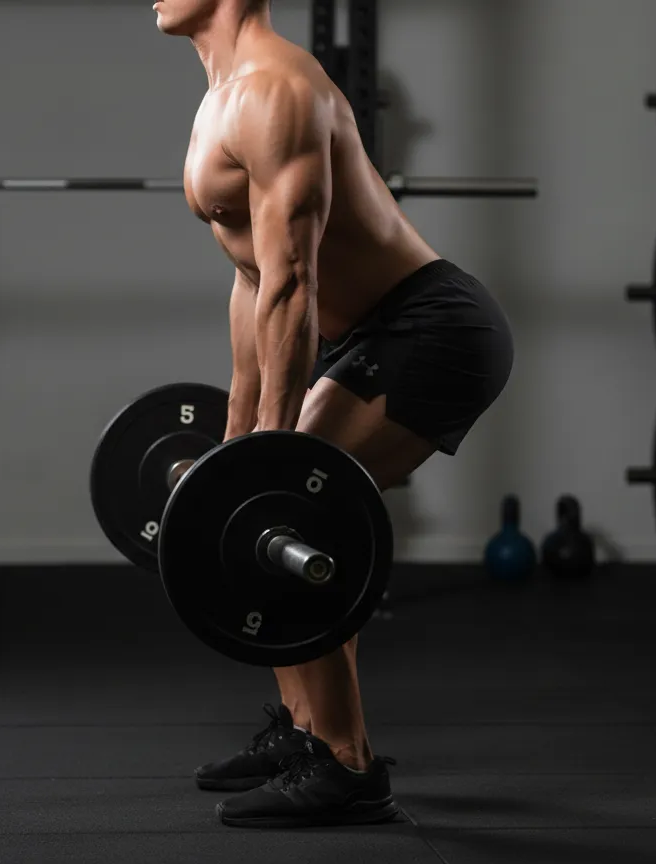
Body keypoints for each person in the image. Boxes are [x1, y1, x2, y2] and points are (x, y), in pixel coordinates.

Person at [153, 0, 514, 829]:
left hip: (434, 330)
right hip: (367, 334)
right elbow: (249, 278)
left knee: (280, 518)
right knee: (247, 516)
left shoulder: (278, 91)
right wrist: (241, 428)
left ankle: (348, 767)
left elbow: (293, 280)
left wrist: (267, 459)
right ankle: (306, 734)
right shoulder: (222, 95)